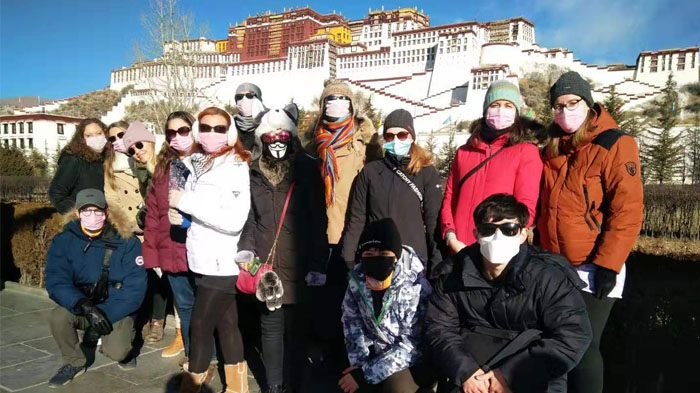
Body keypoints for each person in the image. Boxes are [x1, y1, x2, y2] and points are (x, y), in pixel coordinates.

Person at [538, 71, 644, 393]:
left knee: (583, 346)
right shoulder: (554, 148)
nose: (565, 112)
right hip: (557, 265)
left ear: (588, 103)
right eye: (558, 106)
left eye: (572, 103)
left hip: (592, 265)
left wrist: (608, 264)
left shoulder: (615, 144)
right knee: (557, 343)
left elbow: (627, 209)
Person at [425, 194, 593, 393]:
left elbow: (573, 334)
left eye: (509, 230)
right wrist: (466, 372)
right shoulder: (452, 275)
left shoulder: (548, 277)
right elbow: (439, 328)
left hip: (533, 373)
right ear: (477, 234)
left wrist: (509, 376)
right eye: (488, 230)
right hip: (472, 373)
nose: (498, 237)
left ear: (522, 234)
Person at [237, 105, 329, 393]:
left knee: (298, 332)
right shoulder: (252, 172)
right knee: (271, 329)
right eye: (270, 138)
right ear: (262, 140)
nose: (277, 143)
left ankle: (297, 383)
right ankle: (275, 386)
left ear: (291, 138)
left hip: (300, 264)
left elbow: (318, 219)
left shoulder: (306, 167)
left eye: (283, 137)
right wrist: (249, 255)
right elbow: (249, 219)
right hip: (268, 265)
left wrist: (317, 263)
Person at [171, 107, 251, 393]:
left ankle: (190, 386)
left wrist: (186, 203)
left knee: (201, 325)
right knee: (228, 324)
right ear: (197, 130)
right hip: (202, 258)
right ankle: (239, 388)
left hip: (222, 261)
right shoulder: (199, 163)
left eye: (219, 128)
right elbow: (204, 210)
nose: (212, 133)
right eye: (206, 127)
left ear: (229, 132)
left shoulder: (235, 166)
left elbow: (233, 220)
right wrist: (182, 217)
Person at [305, 80, 381, 378]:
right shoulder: (313, 146)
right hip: (320, 236)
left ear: (352, 106)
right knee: (327, 307)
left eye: (342, 99)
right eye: (329, 99)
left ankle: (354, 365)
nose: (335, 103)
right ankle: (329, 363)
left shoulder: (367, 145)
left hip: (353, 236)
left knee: (354, 306)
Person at [45, 189, 146, 387]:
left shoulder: (127, 242)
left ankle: (122, 341)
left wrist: (104, 315)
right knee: (58, 317)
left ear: (106, 213)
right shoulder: (63, 241)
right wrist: (84, 307)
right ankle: (74, 362)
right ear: (78, 214)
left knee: (118, 352)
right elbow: (56, 281)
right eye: (86, 211)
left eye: (98, 211)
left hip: (116, 307)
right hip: (84, 305)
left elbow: (135, 289)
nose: (92, 217)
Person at [440, 80, 543, 256]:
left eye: (508, 105)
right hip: (459, 249)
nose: (501, 110)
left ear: (516, 112)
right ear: (486, 109)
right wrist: (450, 236)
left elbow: (526, 207)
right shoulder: (464, 152)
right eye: (495, 104)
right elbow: (450, 198)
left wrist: (504, 243)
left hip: (499, 252)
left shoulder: (526, 152)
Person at [341, 109, 442, 275]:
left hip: (413, 261)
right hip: (376, 258)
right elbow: (357, 219)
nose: (395, 140)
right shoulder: (371, 172)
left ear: (411, 136)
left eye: (402, 135)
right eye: (389, 136)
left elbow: (433, 223)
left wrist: (437, 264)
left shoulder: (426, 172)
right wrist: (348, 259)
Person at [339, 218, 433, 393]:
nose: (376, 259)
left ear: (396, 256)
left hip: (412, 362)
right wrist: (359, 367)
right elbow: (352, 324)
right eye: (369, 255)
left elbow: (412, 346)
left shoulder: (416, 287)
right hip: (374, 357)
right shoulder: (356, 281)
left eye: (383, 254)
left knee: (397, 387)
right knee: (346, 383)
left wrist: (366, 375)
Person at [143, 111, 199, 360]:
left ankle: (211, 357)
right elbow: (153, 215)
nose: (178, 137)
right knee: (185, 306)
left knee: (209, 308)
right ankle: (193, 356)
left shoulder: (207, 161)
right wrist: (152, 256)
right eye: (171, 133)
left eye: (183, 130)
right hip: (172, 248)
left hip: (202, 249)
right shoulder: (163, 169)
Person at [122, 122, 170, 345]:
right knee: (157, 277)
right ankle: (157, 320)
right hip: (155, 231)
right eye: (131, 150)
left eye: (139, 145)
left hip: (173, 230)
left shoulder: (167, 163)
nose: (137, 151)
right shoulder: (143, 173)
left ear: (151, 140)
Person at [49, 118, 110, 214]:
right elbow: (56, 193)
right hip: (84, 221)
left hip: (107, 219)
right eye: (89, 135)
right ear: (82, 139)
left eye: (99, 133)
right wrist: (77, 214)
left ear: (105, 134)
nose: (96, 138)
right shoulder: (74, 159)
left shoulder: (108, 156)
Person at [104, 121, 142, 236]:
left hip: (152, 224)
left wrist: (145, 221)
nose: (117, 140)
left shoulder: (146, 158)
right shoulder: (110, 166)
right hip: (130, 229)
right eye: (112, 139)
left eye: (121, 135)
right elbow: (112, 200)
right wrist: (127, 224)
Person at [233, 82, 267, 160]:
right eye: (239, 96)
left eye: (250, 95)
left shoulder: (269, 122)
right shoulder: (231, 125)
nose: (244, 99)